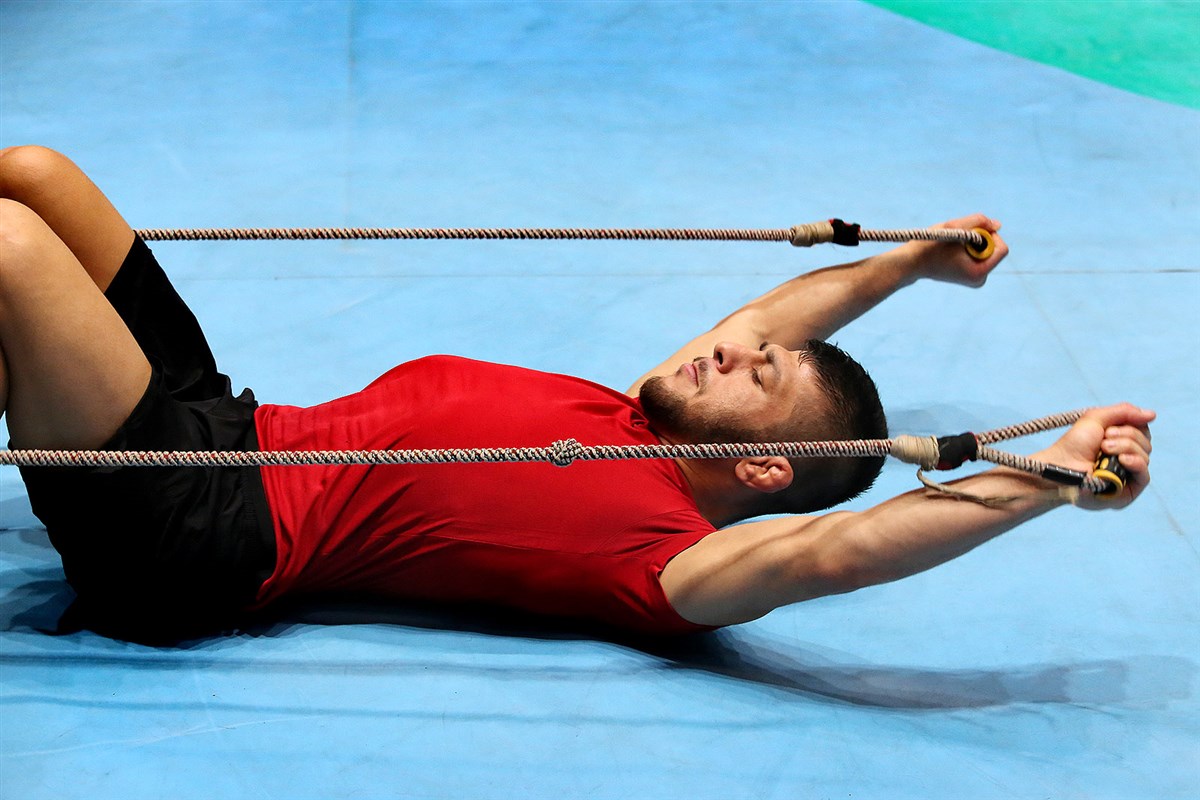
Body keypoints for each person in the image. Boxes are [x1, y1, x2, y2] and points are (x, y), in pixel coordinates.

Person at [0, 146, 1154, 642]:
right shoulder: (634, 411)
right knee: (35, 178)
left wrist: (1053, 481)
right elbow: (780, 317)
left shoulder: (667, 563)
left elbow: (835, 552)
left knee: (10, 249)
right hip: (228, 421)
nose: (734, 349)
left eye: (757, 375)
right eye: (747, 347)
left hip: (196, 528)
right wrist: (908, 261)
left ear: (765, 467)